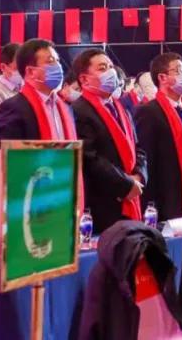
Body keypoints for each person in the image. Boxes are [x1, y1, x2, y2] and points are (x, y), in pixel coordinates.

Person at [71, 50, 146, 233]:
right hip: (104, 201)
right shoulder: (79, 110)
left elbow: (138, 148)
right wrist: (125, 184)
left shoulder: (121, 108)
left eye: (111, 66)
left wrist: (139, 176)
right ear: (84, 79)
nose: (111, 72)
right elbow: (90, 158)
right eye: (102, 68)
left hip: (132, 192)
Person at [134, 53, 182, 221]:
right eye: (179, 70)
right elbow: (148, 161)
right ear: (162, 77)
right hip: (168, 200)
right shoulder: (149, 112)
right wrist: (151, 207)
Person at [0, 39, 76, 143]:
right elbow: (12, 152)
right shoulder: (12, 108)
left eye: (57, 60)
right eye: (50, 61)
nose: (58, 66)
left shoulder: (65, 106)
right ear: (31, 71)